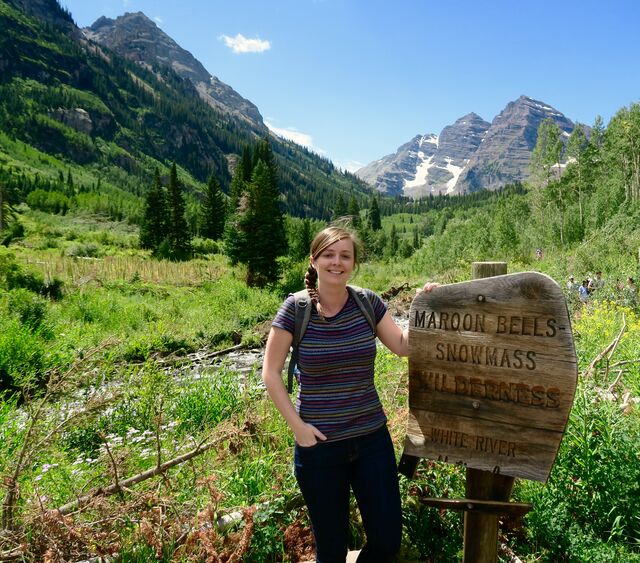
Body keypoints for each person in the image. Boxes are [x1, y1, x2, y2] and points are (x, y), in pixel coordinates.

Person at [262, 225, 438, 563]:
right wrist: (298, 428)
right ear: (314, 261)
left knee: (387, 541)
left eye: (345, 256)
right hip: (319, 448)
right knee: (331, 551)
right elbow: (270, 373)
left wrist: (423, 305)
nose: (337, 262)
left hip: (372, 441)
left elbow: (402, 346)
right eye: (329, 255)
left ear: (354, 263)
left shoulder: (367, 302)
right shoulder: (295, 309)